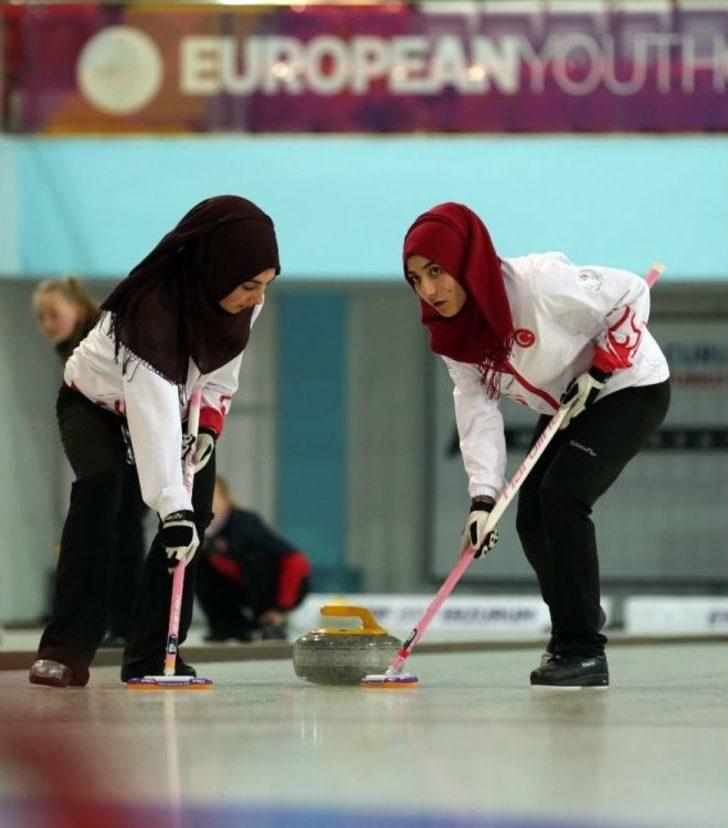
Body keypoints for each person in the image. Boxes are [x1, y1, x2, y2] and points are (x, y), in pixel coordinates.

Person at [403, 202, 670, 688]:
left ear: (465, 260)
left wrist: (607, 363)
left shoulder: (537, 285)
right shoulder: (452, 335)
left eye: (437, 272)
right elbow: (477, 408)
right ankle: (576, 621)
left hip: (630, 387)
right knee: (529, 519)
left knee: (562, 496)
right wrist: (483, 499)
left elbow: (630, 292)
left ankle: (584, 650)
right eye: (416, 278)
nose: (429, 290)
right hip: (570, 402)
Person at [29, 195, 280, 687]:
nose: (255, 297)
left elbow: (221, 372)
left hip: (182, 406)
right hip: (96, 405)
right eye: (249, 285)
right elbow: (152, 413)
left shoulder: (243, 298)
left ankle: (150, 655)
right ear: (215, 266)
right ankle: (66, 647)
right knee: (104, 486)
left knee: (199, 512)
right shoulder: (149, 312)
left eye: (264, 287)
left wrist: (208, 426)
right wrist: (172, 506)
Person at [33, 277, 147, 647]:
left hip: (133, 432)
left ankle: (124, 622)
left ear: (78, 309)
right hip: (117, 433)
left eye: (52, 314)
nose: (46, 323)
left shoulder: (97, 337)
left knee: (124, 527)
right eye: (40, 318)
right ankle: (113, 622)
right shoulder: (68, 347)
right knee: (113, 523)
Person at [196, 476, 311, 642]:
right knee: (198, 564)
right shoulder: (206, 532)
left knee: (254, 557)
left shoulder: (244, 522)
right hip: (246, 586)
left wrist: (280, 608)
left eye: (209, 495)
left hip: (283, 587)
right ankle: (227, 626)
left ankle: (268, 620)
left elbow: (296, 562)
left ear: (225, 498)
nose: (204, 501)